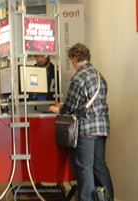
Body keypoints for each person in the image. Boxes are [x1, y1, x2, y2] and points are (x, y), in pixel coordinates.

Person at [48, 43, 114, 201]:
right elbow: (89, 102)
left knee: (84, 169)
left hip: (86, 130)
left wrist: (57, 109)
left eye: (71, 60)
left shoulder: (79, 77)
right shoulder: (99, 76)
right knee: (99, 166)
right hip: (102, 128)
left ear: (75, 58)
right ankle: (108, 198)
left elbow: (70, 108)